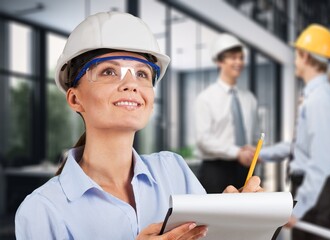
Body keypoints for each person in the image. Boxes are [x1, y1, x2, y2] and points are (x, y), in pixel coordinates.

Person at [14, 12, 263, 240]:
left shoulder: (173, 170)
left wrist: (236, 224)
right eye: (109, 71)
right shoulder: (42, 210)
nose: (131, 84)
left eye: (142, 73)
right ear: (75, 99)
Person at [260, 24, 330, 240]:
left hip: (315, 193)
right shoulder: (316, 96)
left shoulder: (319, 100)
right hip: (312, 190)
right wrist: (260, 154)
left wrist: (299, 209)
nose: (295, 61)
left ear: (306, 56)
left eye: (297, 55)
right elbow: (299, 147)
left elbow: (319, 162)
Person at [195, 33, 259, 193]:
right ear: (219, 61)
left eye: (241, 57)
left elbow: (255, 133)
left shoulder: (249, 98)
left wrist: (253, 150)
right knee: (214, 218)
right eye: (233, 57)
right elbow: (203, 140)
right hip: (216, 171)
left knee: (248, 215)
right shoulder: (205, 98)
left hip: (246, 169)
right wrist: (236, 152)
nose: (238, 62)